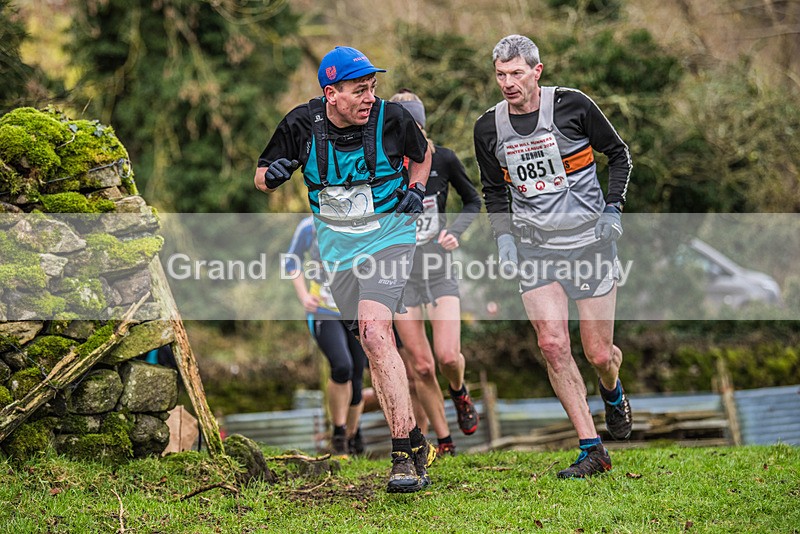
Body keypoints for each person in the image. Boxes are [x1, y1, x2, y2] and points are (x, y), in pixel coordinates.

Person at [255, 45, 436, 493]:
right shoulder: (301, 124)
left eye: (373, 87)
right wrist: (273, 174)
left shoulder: (392, 117)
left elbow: (424, 152)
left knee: (376, 332)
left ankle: (401, 459)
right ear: (331, 93)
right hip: (338, 257)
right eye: (359, 90)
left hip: (390, 238)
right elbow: (260, 175)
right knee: (375, 346)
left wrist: (415, 188)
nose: (369, 97)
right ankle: (415, 439)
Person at [474, 34, 633, 478]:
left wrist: (613, 208)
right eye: (501, 75)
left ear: (536, 71)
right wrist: (503, 238)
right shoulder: (488, 127)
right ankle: (592, 448)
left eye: (517, 73)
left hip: (589, 243)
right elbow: (492, 189)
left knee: (599, 353)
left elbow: (619, 154)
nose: (508, 82)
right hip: (535, 247)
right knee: (552, 344)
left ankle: (612, 389)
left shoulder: (573, 106)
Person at [390, 90, 482, 457]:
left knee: (446, 357)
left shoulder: (443, 159)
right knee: (422, 366)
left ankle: (459, 391)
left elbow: (474, 200)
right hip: (400, 275)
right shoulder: (385, 165)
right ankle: (444, 442)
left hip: (439, 268)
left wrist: (455, 232)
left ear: (420, 125)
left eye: (407, 125)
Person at [284, 216, 367, 456]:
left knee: (358, 379)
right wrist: (303, 296)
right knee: (342, 366)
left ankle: (352, 438)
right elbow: (292, 261)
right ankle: (339, 435)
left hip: (356, 309)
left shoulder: (360, 220)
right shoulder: (309, 226)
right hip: (323, 310)